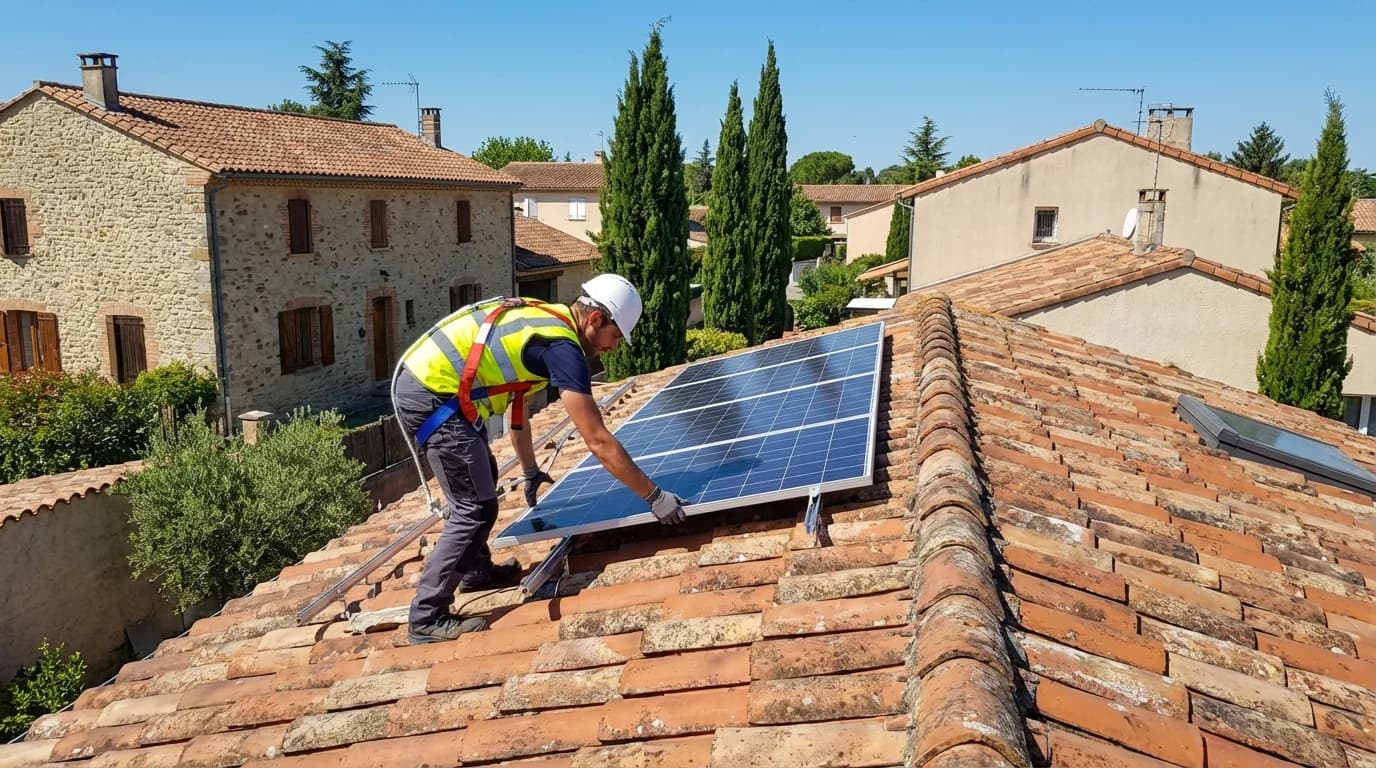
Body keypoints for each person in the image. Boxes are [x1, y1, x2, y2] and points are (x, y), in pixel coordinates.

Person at [392, 273, 688, 644]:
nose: (614, 348)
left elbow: (518, 414)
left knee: (482, 474)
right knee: (475, 506)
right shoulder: (561, 348)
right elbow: (598, 440)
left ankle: (475, 571)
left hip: (435, 387)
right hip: (431, 393)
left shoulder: (548, 320)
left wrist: (531, 471)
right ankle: (426, 616)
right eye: (615, 336)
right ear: (596, 319)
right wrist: (655, 497)